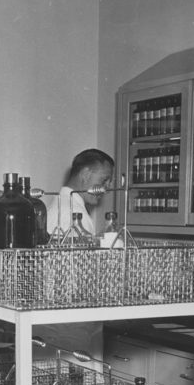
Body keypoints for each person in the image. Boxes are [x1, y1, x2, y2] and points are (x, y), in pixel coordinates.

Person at [40, 148, 117, 361]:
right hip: (69, 318)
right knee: (75, 381)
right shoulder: (74, 213)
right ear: (85, 175)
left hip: (59, 315)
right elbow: (78, 272)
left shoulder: (60, 205)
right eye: (105, 179)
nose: (107, 187)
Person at [43, 148, 116, 236]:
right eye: (104, 180)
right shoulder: (77, 216)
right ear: (85, 174)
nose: (106, 189)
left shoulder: (56, 206)